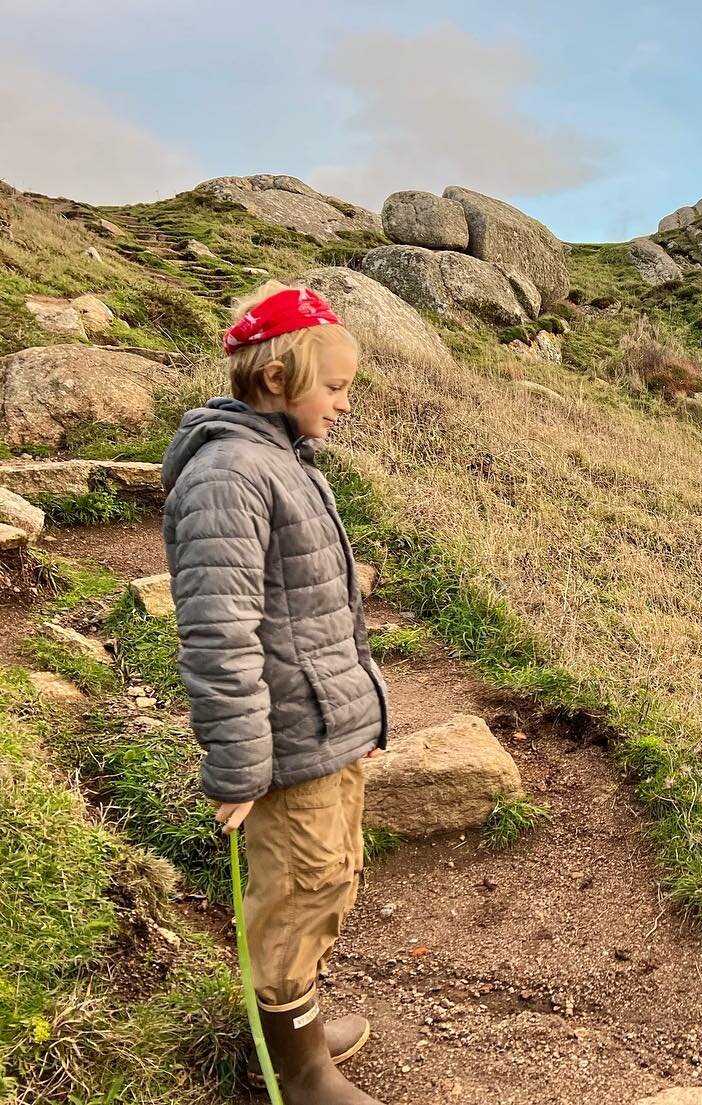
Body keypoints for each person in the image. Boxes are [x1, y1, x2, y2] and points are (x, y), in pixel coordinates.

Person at [161, 281, 390, 1103]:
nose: (344, 403)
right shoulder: (230, 474)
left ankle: (294, 1017)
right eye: (334, 386)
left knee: (330, 874)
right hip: (283, 747)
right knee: (298, 887)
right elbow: (219, 632)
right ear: (276, 379)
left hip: (320, 728)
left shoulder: (281, 459)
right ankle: (298, 1074)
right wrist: (238, 765)